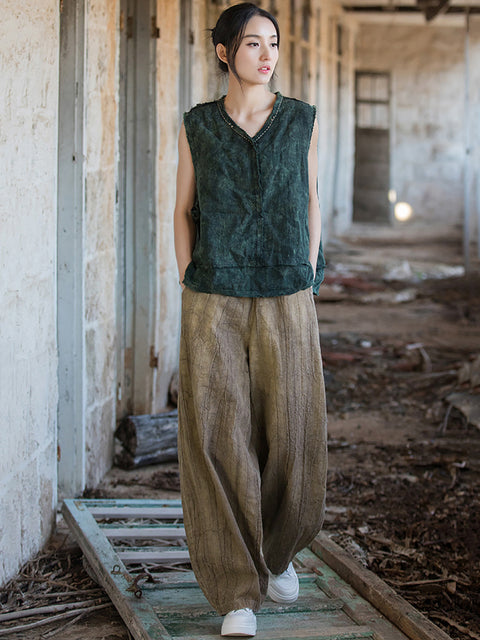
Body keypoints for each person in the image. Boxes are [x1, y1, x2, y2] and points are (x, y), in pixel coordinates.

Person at [173, 3, 327, 636]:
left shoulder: (302, 123)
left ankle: (278, 550)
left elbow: (312, 203)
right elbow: (182, 210)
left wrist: (308, 275)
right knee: (217, 436)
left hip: (288, 294)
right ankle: (236, 593)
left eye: (274, 43)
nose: (267, 54)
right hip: (213, 297)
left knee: (293, 433)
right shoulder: (198, 127)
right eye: (252, 43)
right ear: (223, 53)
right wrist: (189, 278)